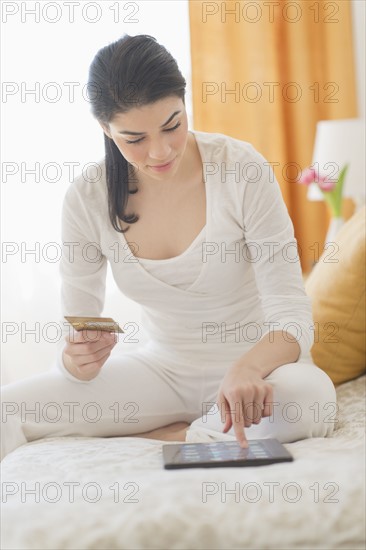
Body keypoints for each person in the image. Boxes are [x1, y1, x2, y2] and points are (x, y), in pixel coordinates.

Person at [1, 34, 337, 460]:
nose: (159, 152)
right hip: (161, 372)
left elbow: (292, 317)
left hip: (257, 371)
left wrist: (248, 368)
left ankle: (169, 436)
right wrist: (76, 359)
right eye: (134, 138)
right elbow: (77, 342)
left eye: (172, 125)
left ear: (184, 102)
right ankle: (195, 431)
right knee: (6, 407)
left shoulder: (240, 169)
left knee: (310, 398)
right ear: (105, 129)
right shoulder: (86, 197)